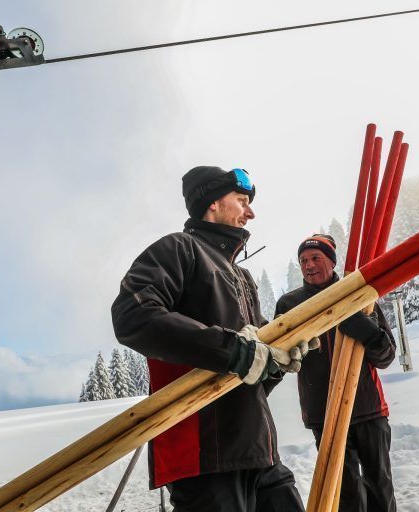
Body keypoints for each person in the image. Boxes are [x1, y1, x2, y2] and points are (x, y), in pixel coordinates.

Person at [112, 166, 316, 512]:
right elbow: (133, 315)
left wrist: (277, 359)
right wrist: (233, 350)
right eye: (241, 201)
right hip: (204, 455)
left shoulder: (241, 277)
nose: (250, 212)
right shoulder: (179, 250)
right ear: (213, 204)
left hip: (259, 451)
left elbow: (251, 372)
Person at [275, 234, 397, 512]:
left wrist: (369, 333)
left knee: (379, 485)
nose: (308, 265)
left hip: (367, 408)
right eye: (303, 260)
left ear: (332, 261)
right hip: (323, 412)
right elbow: (279, 358)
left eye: (316, 258)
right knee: (344, 491)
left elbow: (386, 356)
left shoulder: (359, 297)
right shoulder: (290, 306)